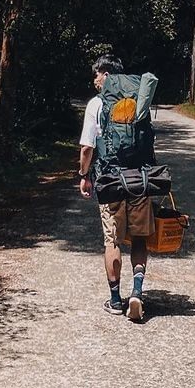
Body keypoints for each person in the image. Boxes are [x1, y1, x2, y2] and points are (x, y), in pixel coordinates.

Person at [78, 54, 154, 321]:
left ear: (107, 75)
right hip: (140, 179)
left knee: (112, 240)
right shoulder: (137, 101)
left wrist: (84, 175)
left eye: (97, 74)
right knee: (140, 238)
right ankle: (136, 291)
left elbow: (87, 147)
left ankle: (115, 299)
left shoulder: (96, 104)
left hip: (110, 181)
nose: (95, 80)